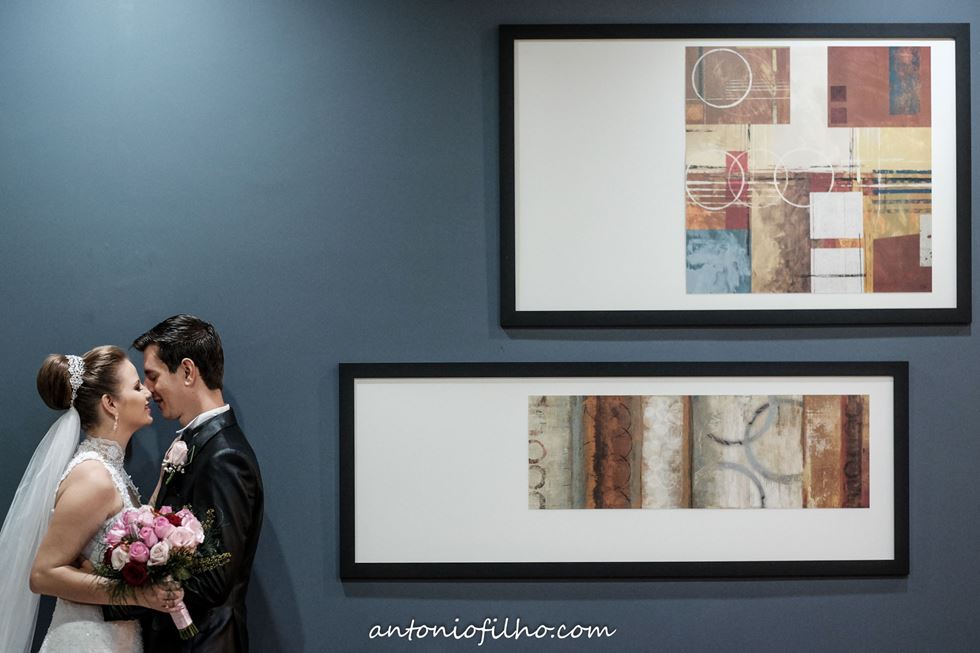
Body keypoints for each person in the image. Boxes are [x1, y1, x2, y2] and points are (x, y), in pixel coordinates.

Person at [0, 346, 182, 653]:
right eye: (136, 387)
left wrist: (167, 476)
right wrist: (139, 595)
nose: (148, 392)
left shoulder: (111, 472)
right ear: (110, 403)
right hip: (86, 641)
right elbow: (42, 575)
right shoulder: (94, 477)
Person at [125, 315, 264, 652]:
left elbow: (213, 579)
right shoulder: (198, 445)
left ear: (187, 371)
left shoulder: (224, 456)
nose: (148, 389)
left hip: (205, 642)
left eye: (153, 376)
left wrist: (118, 594)